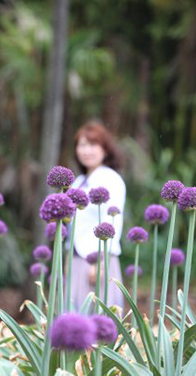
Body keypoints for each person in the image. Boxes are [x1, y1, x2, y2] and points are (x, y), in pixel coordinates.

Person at [68, 121, 126, 311]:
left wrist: (100, 262)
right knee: (74, 315)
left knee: (99, 315)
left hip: (99, 260)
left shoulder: (111, 179)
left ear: (105, 149)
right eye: (82, 145)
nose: (86, 151)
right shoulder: (78, 181)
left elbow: (113, 221)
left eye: (92, 145)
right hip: (76, 259)